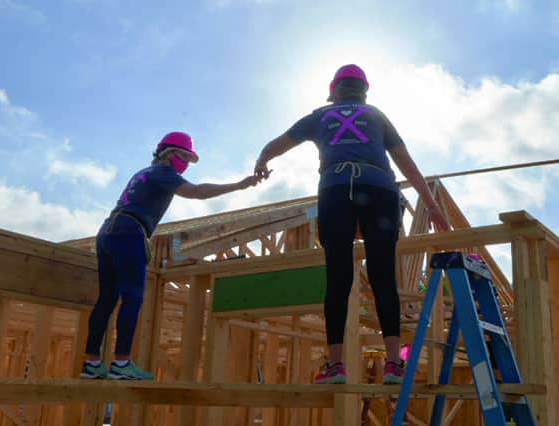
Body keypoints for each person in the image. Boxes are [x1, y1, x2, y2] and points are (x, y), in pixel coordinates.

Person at [254, 64, 450, 385]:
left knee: (338, 276)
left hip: (336, 188)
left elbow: (277, 144)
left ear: (334, 89)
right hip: (380, 189)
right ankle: (393, 365)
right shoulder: (376, 116)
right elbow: (406, 163)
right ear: (364, 91)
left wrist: (261, 161)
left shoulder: (319, 116)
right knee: (383, 274)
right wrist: (430, 206)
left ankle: (335, 367)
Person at [81, 131, 261, 380]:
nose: (186, 164)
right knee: (132, 298)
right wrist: (239, 185)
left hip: (107, 232)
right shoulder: (163, 173)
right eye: (184, 157)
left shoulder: (143, 173)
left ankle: (92, 363)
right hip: (131, 231)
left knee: (107, 299)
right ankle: (121, 364)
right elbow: (197, 192)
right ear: (168, 153)